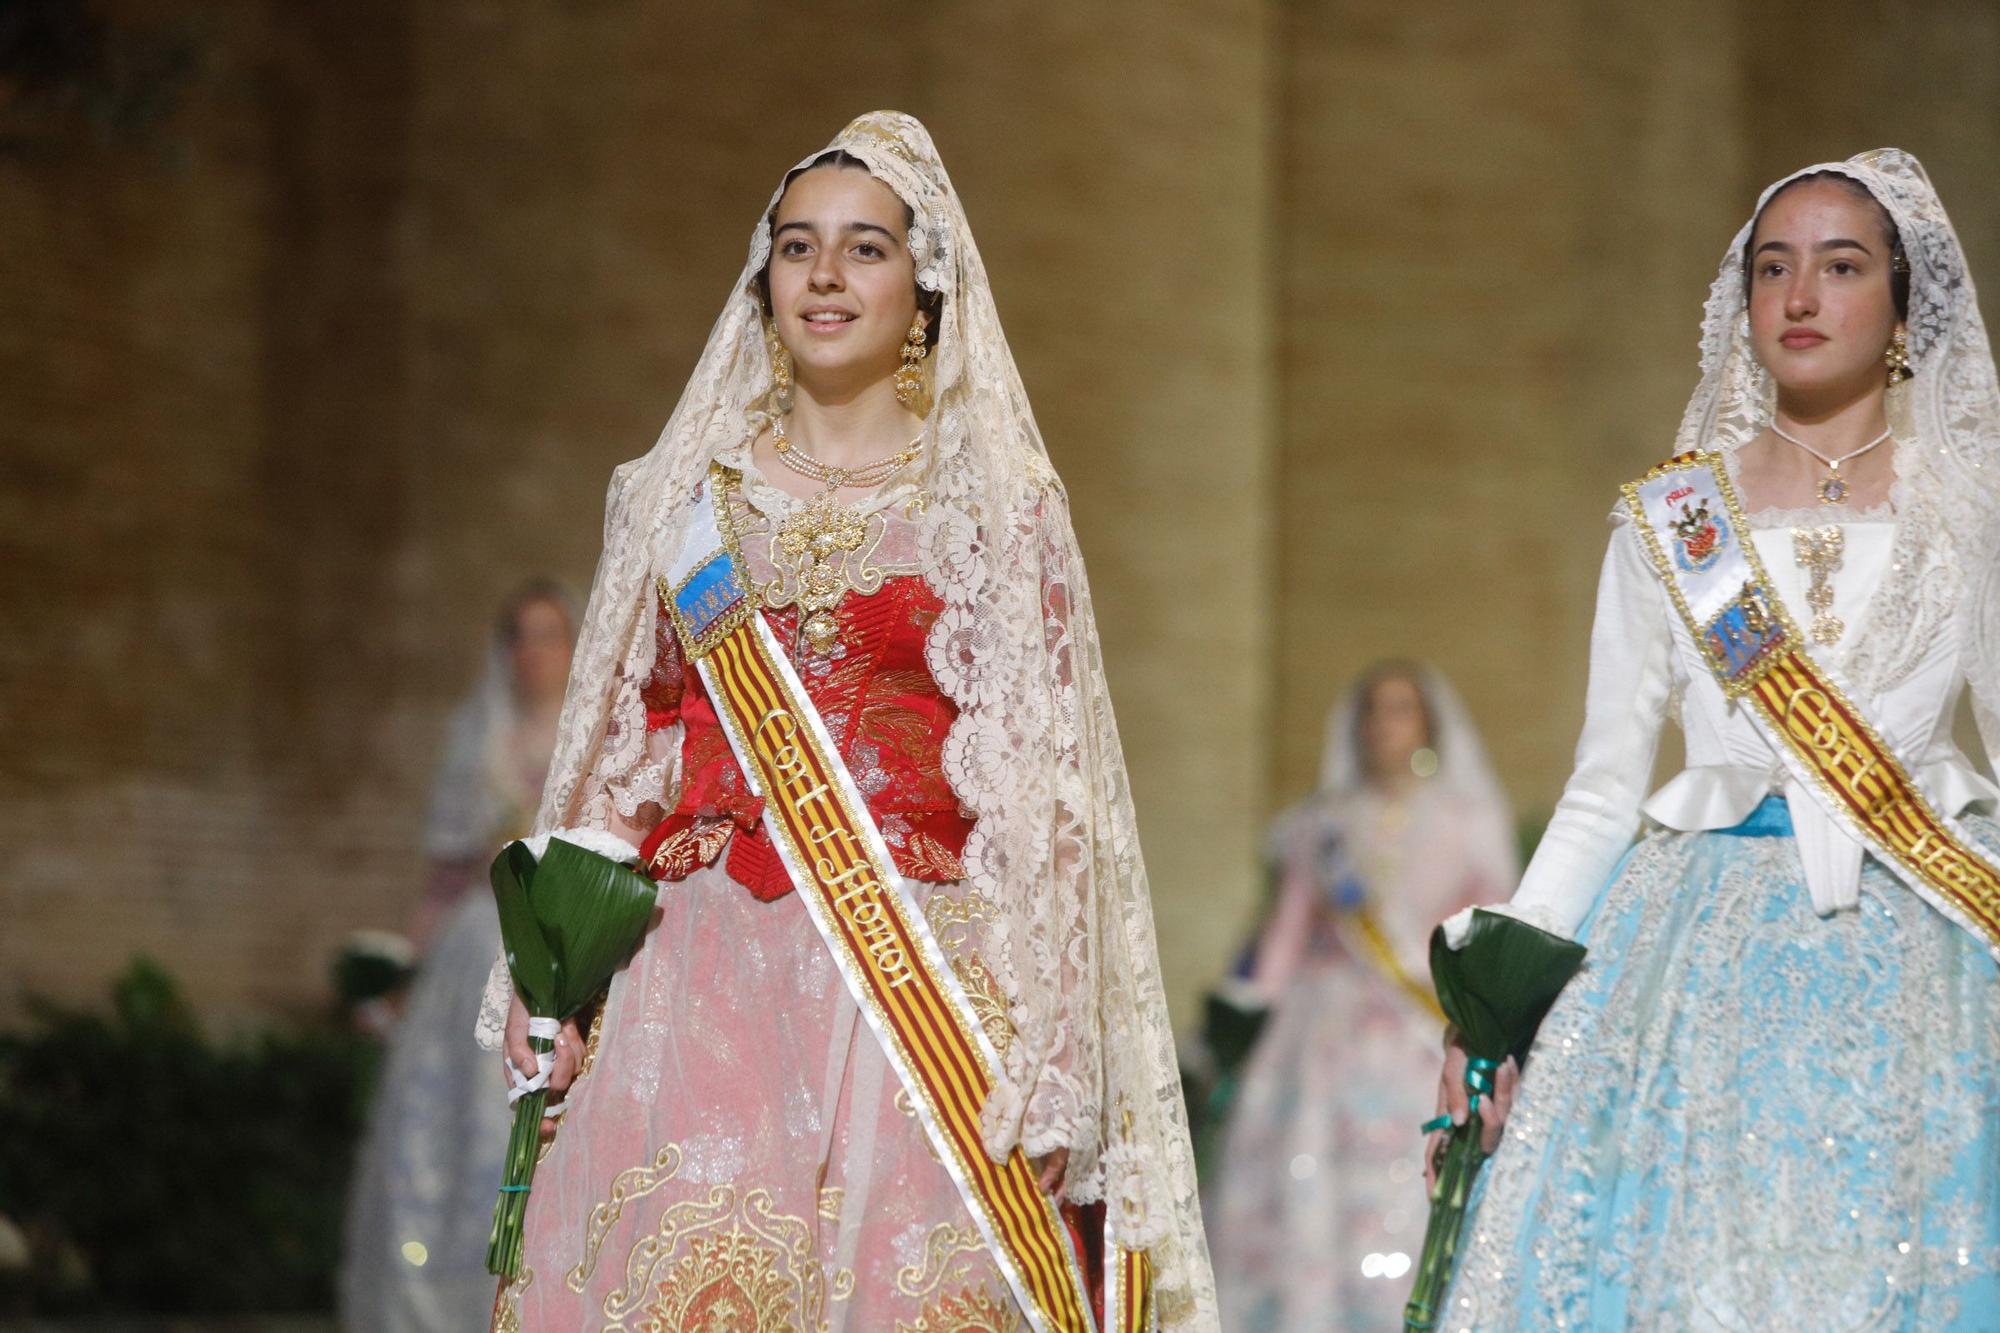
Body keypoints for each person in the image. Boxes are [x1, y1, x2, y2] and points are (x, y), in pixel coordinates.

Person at [474, 112, 1215, 1331]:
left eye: (864, 248)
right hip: (694, 974)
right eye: (796, 246)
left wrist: (1056, 1063)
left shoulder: (995, 507)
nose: (824, 275)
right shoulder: (675, 503)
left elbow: (1046, 796)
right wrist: (547, 975)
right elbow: (625, 756)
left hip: (917, 987)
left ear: (924, 288)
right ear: (761, 279)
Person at [1433, 149, 2000, 1328]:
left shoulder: (1970, 513)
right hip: (1692, 958)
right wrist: (1489, 1009)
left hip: (1929, 961)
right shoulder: (1670, 518)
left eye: (1840, 267)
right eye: (1772, 268)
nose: (1799, 297)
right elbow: (1600, 788)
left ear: (1900, 301)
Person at [1210, 662, 1515, 1330]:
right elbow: (1288, 931)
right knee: (1313, 1176)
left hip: (1422, 1026)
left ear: (1427, 721)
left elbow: (1490, 924)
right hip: (1324, 1033)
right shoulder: (1319, 824)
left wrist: (1487, 1018)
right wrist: (1236, 1014)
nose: (1385, 723)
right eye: (1374, 709)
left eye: (1401, 707)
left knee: (1413, 1174)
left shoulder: (1466, 818)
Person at [341, 579, 576, 1333]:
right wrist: (403, 973)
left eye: (548, 634)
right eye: (520, 635)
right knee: (449, 1130)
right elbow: (443, 877)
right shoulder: (478, 737)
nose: (532, 652)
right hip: (474, 948)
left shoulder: (594, 730)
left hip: (560, 944)